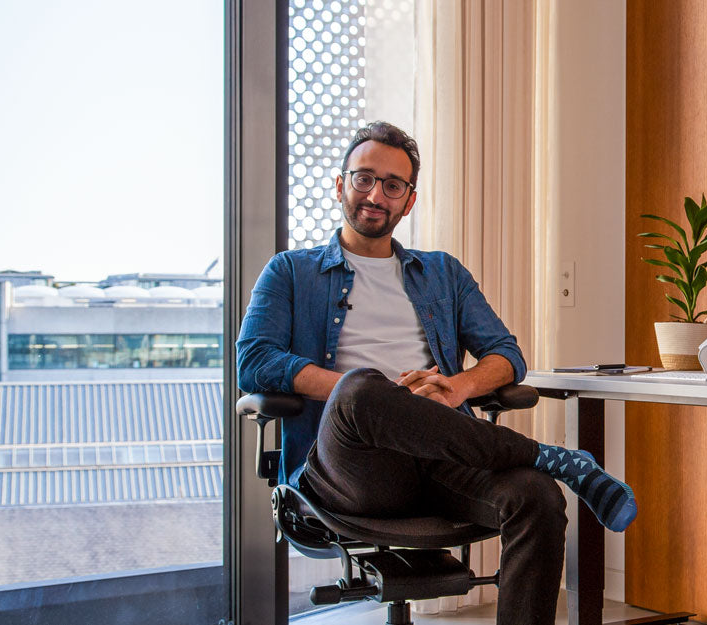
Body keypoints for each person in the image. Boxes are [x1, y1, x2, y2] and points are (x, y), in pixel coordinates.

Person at [236, 121, 635, 625]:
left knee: (536, 497)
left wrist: (458, 387)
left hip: (441, 457)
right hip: (350, 470)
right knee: (362, 386)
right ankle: (553, 457)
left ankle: (551, 470)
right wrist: (361, 391)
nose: (376, 195)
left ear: (409, 201)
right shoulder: (290, 272)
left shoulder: (442, 273)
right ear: (340, 185)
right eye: (364, 179)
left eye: (393, 185)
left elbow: (507, 355)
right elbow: (253, 362)